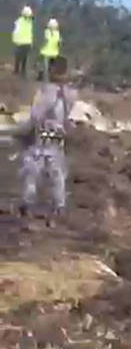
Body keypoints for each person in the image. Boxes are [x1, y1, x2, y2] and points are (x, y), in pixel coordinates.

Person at [16, 55, 76, 225]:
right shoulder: (71, 94)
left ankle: (27, 205)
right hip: (58, 138)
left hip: (41, 137)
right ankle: (59, 207)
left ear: (51, 71)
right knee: (57, 174)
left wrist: (22, 132)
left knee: (32, 171)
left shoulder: (45, 92)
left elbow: (35, 116)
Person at [11, 6, 33, 79]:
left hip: (21, 42)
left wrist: (15, 39)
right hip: (26, 42)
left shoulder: (20, 21)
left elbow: (16, 31)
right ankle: (22, 71)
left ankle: (17, 70)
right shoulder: (29, 21)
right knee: (23, 57)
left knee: (19, 57)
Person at [40, 18, 61, 82]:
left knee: (46, 67)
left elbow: (45, 41)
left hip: (46, 52)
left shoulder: (46, 32)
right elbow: (59, 43)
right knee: (51, 67)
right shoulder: (57, 33)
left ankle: (46, 79)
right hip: (54, 53)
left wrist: (41, 48)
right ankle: (50, 78)